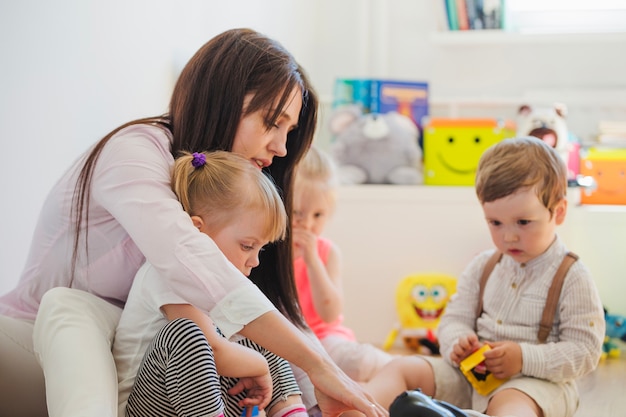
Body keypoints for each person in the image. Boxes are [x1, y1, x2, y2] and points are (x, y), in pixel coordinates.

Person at [0, 28, 386, 417]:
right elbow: (192, 262)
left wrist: (327, 393)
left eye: (289, 131)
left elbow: (264, 309)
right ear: (223, 101)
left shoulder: (228, 204)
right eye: (272, 123)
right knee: (74, 304)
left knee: (256, 332)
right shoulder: (134, 154)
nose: (281, 147)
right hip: (39, 338)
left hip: (140, 350)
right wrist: (321, 368)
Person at [362, 136, 605, 417]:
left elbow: (585, 352)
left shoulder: (572, 276)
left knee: (513, 406)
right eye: (495, 223)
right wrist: (459, 340)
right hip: (470, 379)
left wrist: (523, 359)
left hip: (536, 385)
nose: (508, 236)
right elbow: (453, 319)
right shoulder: (483, 266)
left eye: (523, 222)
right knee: (401, 368)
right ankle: (359, 410)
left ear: (558, 212)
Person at [116, 151, 306, 417]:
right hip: (149, 407)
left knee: (262, 326)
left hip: (201, 405)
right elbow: (214, 350)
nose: (254, 261)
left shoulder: (215, 288)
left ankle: (290, 412)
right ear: (198, 231)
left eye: (260, 250)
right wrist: (260, 366)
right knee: (186, 334)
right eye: (247, 246)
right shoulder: (169, 273)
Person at [292, 146, 394, 382]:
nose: (307, 224)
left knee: (363, 361)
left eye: (318, 215)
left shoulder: (327, 252)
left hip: (326, 339)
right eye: (298, 212)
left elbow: (330, 314)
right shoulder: (267, 249)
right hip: (289, 345)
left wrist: (313, 262)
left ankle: (408, 374)